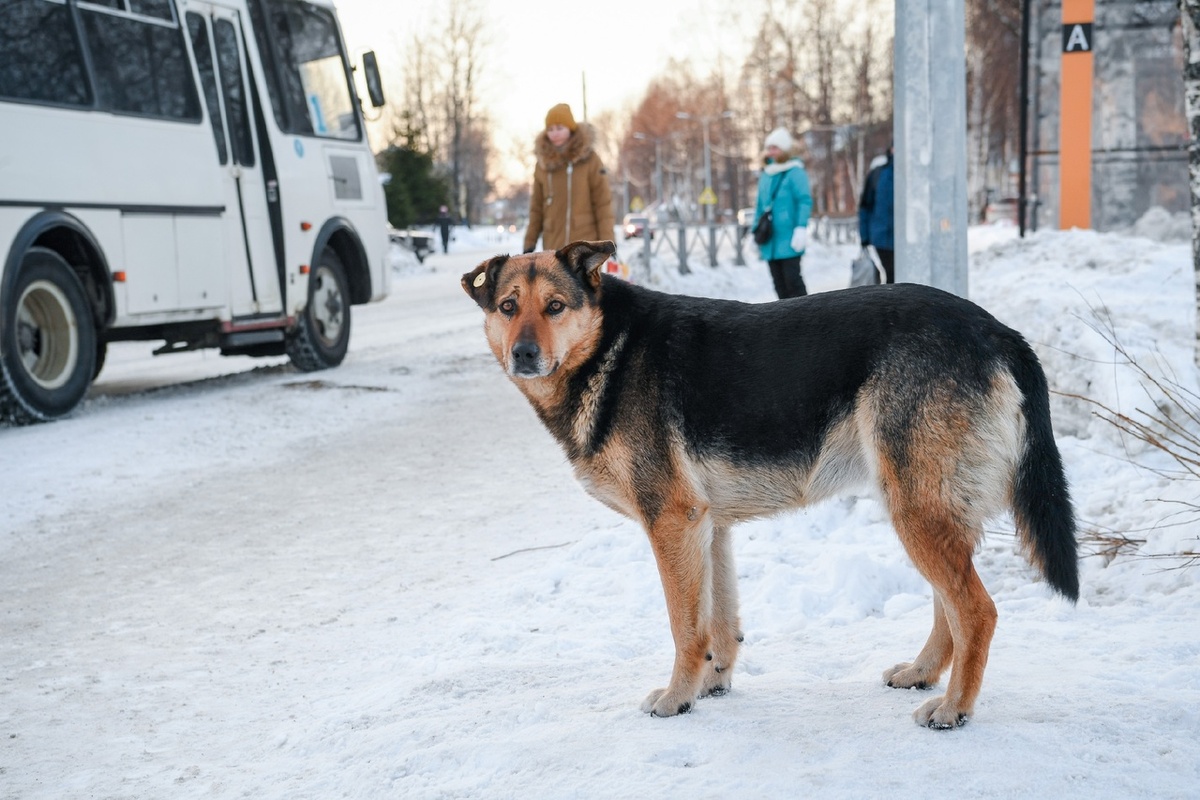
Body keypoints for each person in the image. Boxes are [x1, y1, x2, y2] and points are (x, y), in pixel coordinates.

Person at [523, 103, 615, 253]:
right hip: (553, 246)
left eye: (560, 128)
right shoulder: (542, 165)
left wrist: (607, 242)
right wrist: (530, 241)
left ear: (570, 129)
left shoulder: (589, 159)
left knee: (586, 277)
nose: (555, 133)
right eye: (550, 129)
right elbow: (536, 208)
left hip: (585, 246)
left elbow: (603, 203)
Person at [753, 127, 813, 299]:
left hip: (789, 238)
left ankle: (805, 319)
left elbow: (804, 200)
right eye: (769, 148)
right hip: (769, 240)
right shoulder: (766, 174)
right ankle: (787, 323)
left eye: (775, 148)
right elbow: (759, 206)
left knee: (793, 282)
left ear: (785, 149)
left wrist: (801, 228)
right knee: (778, 285)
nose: (771, 152)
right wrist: (754, 232)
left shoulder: (795, 172)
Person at [858, 146, 895, 283]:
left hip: (907, 238)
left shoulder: (913, 172)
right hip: (882, 237)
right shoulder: (878, 174)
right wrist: (864, 236)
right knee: (892, 274)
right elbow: (865, 206)